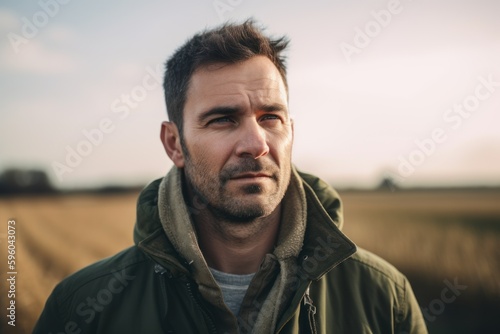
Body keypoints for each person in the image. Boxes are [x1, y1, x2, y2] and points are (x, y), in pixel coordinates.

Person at [34, 20, 427, 333]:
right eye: (223, 119)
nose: (255, 144)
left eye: (270, 117)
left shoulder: (383, 298)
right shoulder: (84, 307)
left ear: (291, 131)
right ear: (174, 144)